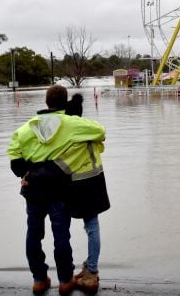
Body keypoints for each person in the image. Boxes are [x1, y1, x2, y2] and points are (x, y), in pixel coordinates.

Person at [8, 85, 106, 295]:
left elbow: (14, 157)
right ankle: (65, 280)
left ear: (46, 102)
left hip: (32, 189)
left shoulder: (26, 128)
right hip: (59, 189)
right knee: (61, 236)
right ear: (65, 102)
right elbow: (100, 132)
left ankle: (39, 279)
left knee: (33, 234)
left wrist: (27, 173)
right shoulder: (73, 124)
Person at [63, 93, 111, 293]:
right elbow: (101, 145)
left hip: (78, 183)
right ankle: (90, 268)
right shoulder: (90, 132)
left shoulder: (68, 134)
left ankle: (89, 272)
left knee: (66, 228)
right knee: (92, 227)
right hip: (96, 181)